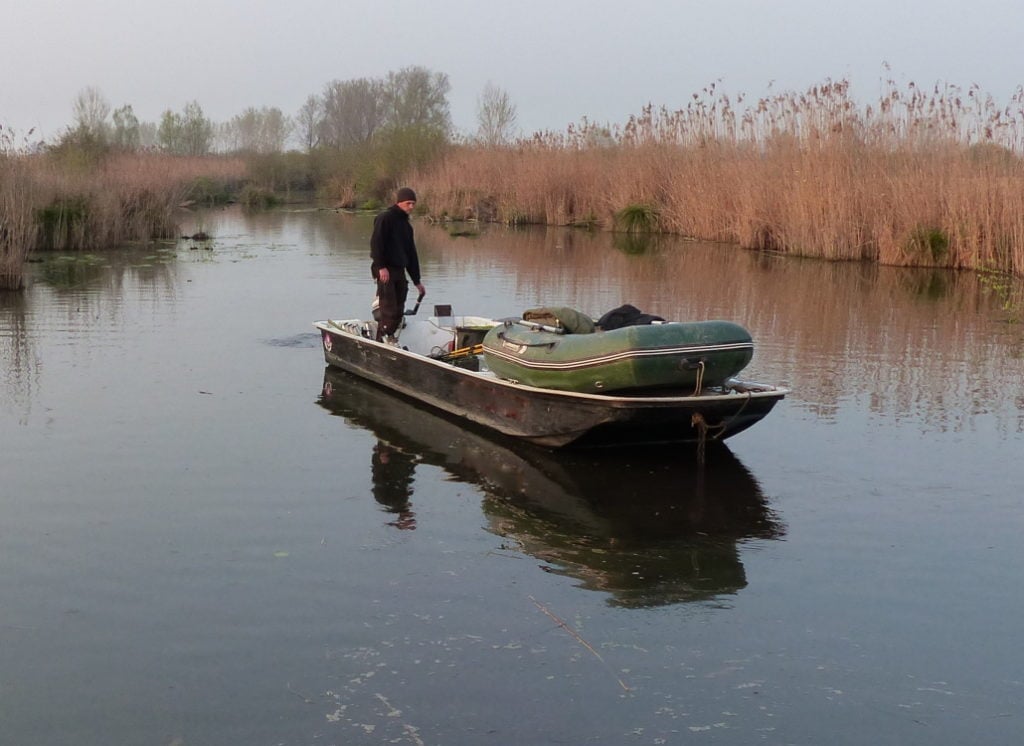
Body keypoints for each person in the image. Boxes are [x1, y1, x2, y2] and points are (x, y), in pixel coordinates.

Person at [370, 187, 425, 341]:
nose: (412, 207)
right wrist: (381, 267)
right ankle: (383, 340)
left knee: (399, 309)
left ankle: (388, 336)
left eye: (414, 203)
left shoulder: (406, 226)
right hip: (385, 269)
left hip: (399, 269)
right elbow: (376, 244)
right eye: (409, 203)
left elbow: (411, 254)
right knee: (389, 309)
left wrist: (417, 281)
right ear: (399, 202)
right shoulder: (385, 218)